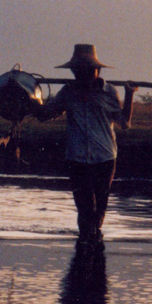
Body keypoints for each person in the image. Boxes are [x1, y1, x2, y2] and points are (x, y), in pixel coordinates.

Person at [34, 44, 136, 245]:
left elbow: (124, 123)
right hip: (77, 158)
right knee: (85, 206)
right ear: (74, 72)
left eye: (89, 70)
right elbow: (45, 115)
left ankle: (93, 243)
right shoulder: (67, 93)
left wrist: (130, 94)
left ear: (97, 71)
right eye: (80, 71)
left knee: (100, 207)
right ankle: (87, 247)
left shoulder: (109, 92)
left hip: (105, 157)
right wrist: (30, 97)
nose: (85, 75)